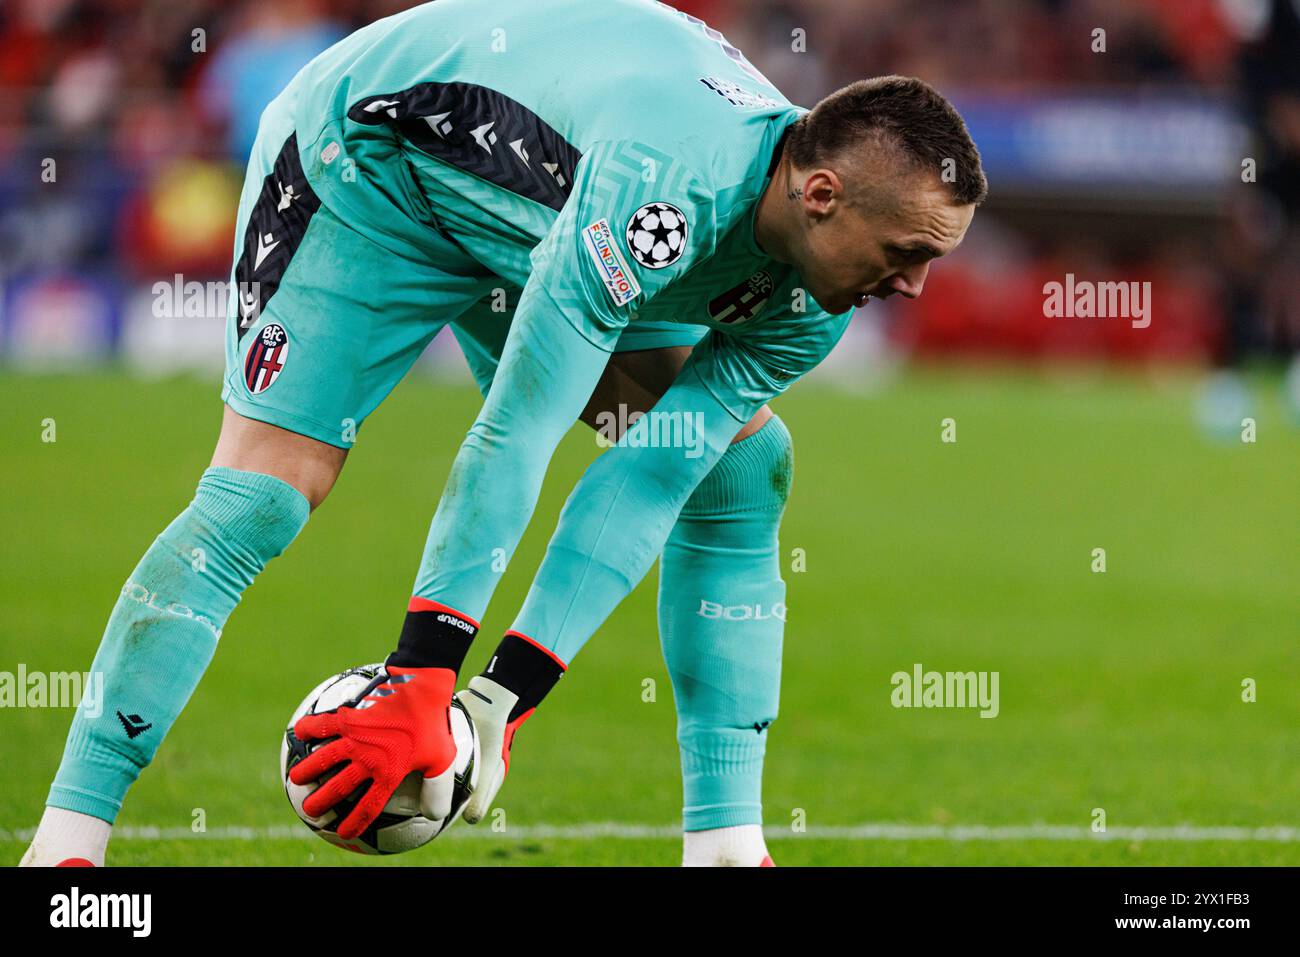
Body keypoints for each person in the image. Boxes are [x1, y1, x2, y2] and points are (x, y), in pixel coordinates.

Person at [22, 0, 985, 868]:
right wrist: (420, 673)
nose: (912, 288)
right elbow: (516, 428)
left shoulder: (815, 301)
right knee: (265, 493)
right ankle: (68, 845)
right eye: (907, 254)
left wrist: (500, 696)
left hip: (533, 226)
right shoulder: (663, 187)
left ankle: (729, 851)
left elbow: (653, 477)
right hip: (370, 168)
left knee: (737, 468)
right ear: (822, 195)